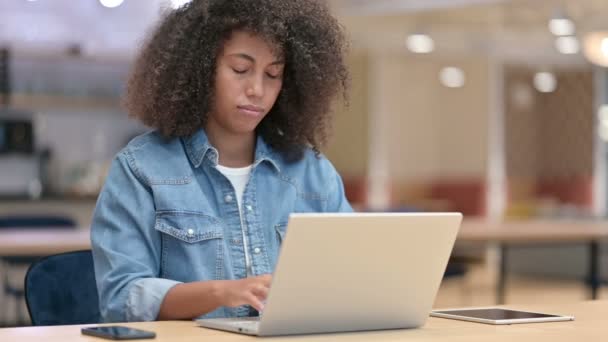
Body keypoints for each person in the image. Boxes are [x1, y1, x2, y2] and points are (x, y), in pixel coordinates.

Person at [91, 0, 351, 323]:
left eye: (273, 74)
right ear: (200, 67)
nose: (257, 89)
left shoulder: (313, 173)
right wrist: (222, 293)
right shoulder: (141, 170)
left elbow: (350, 278)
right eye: (240, 70)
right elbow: (121, 298)